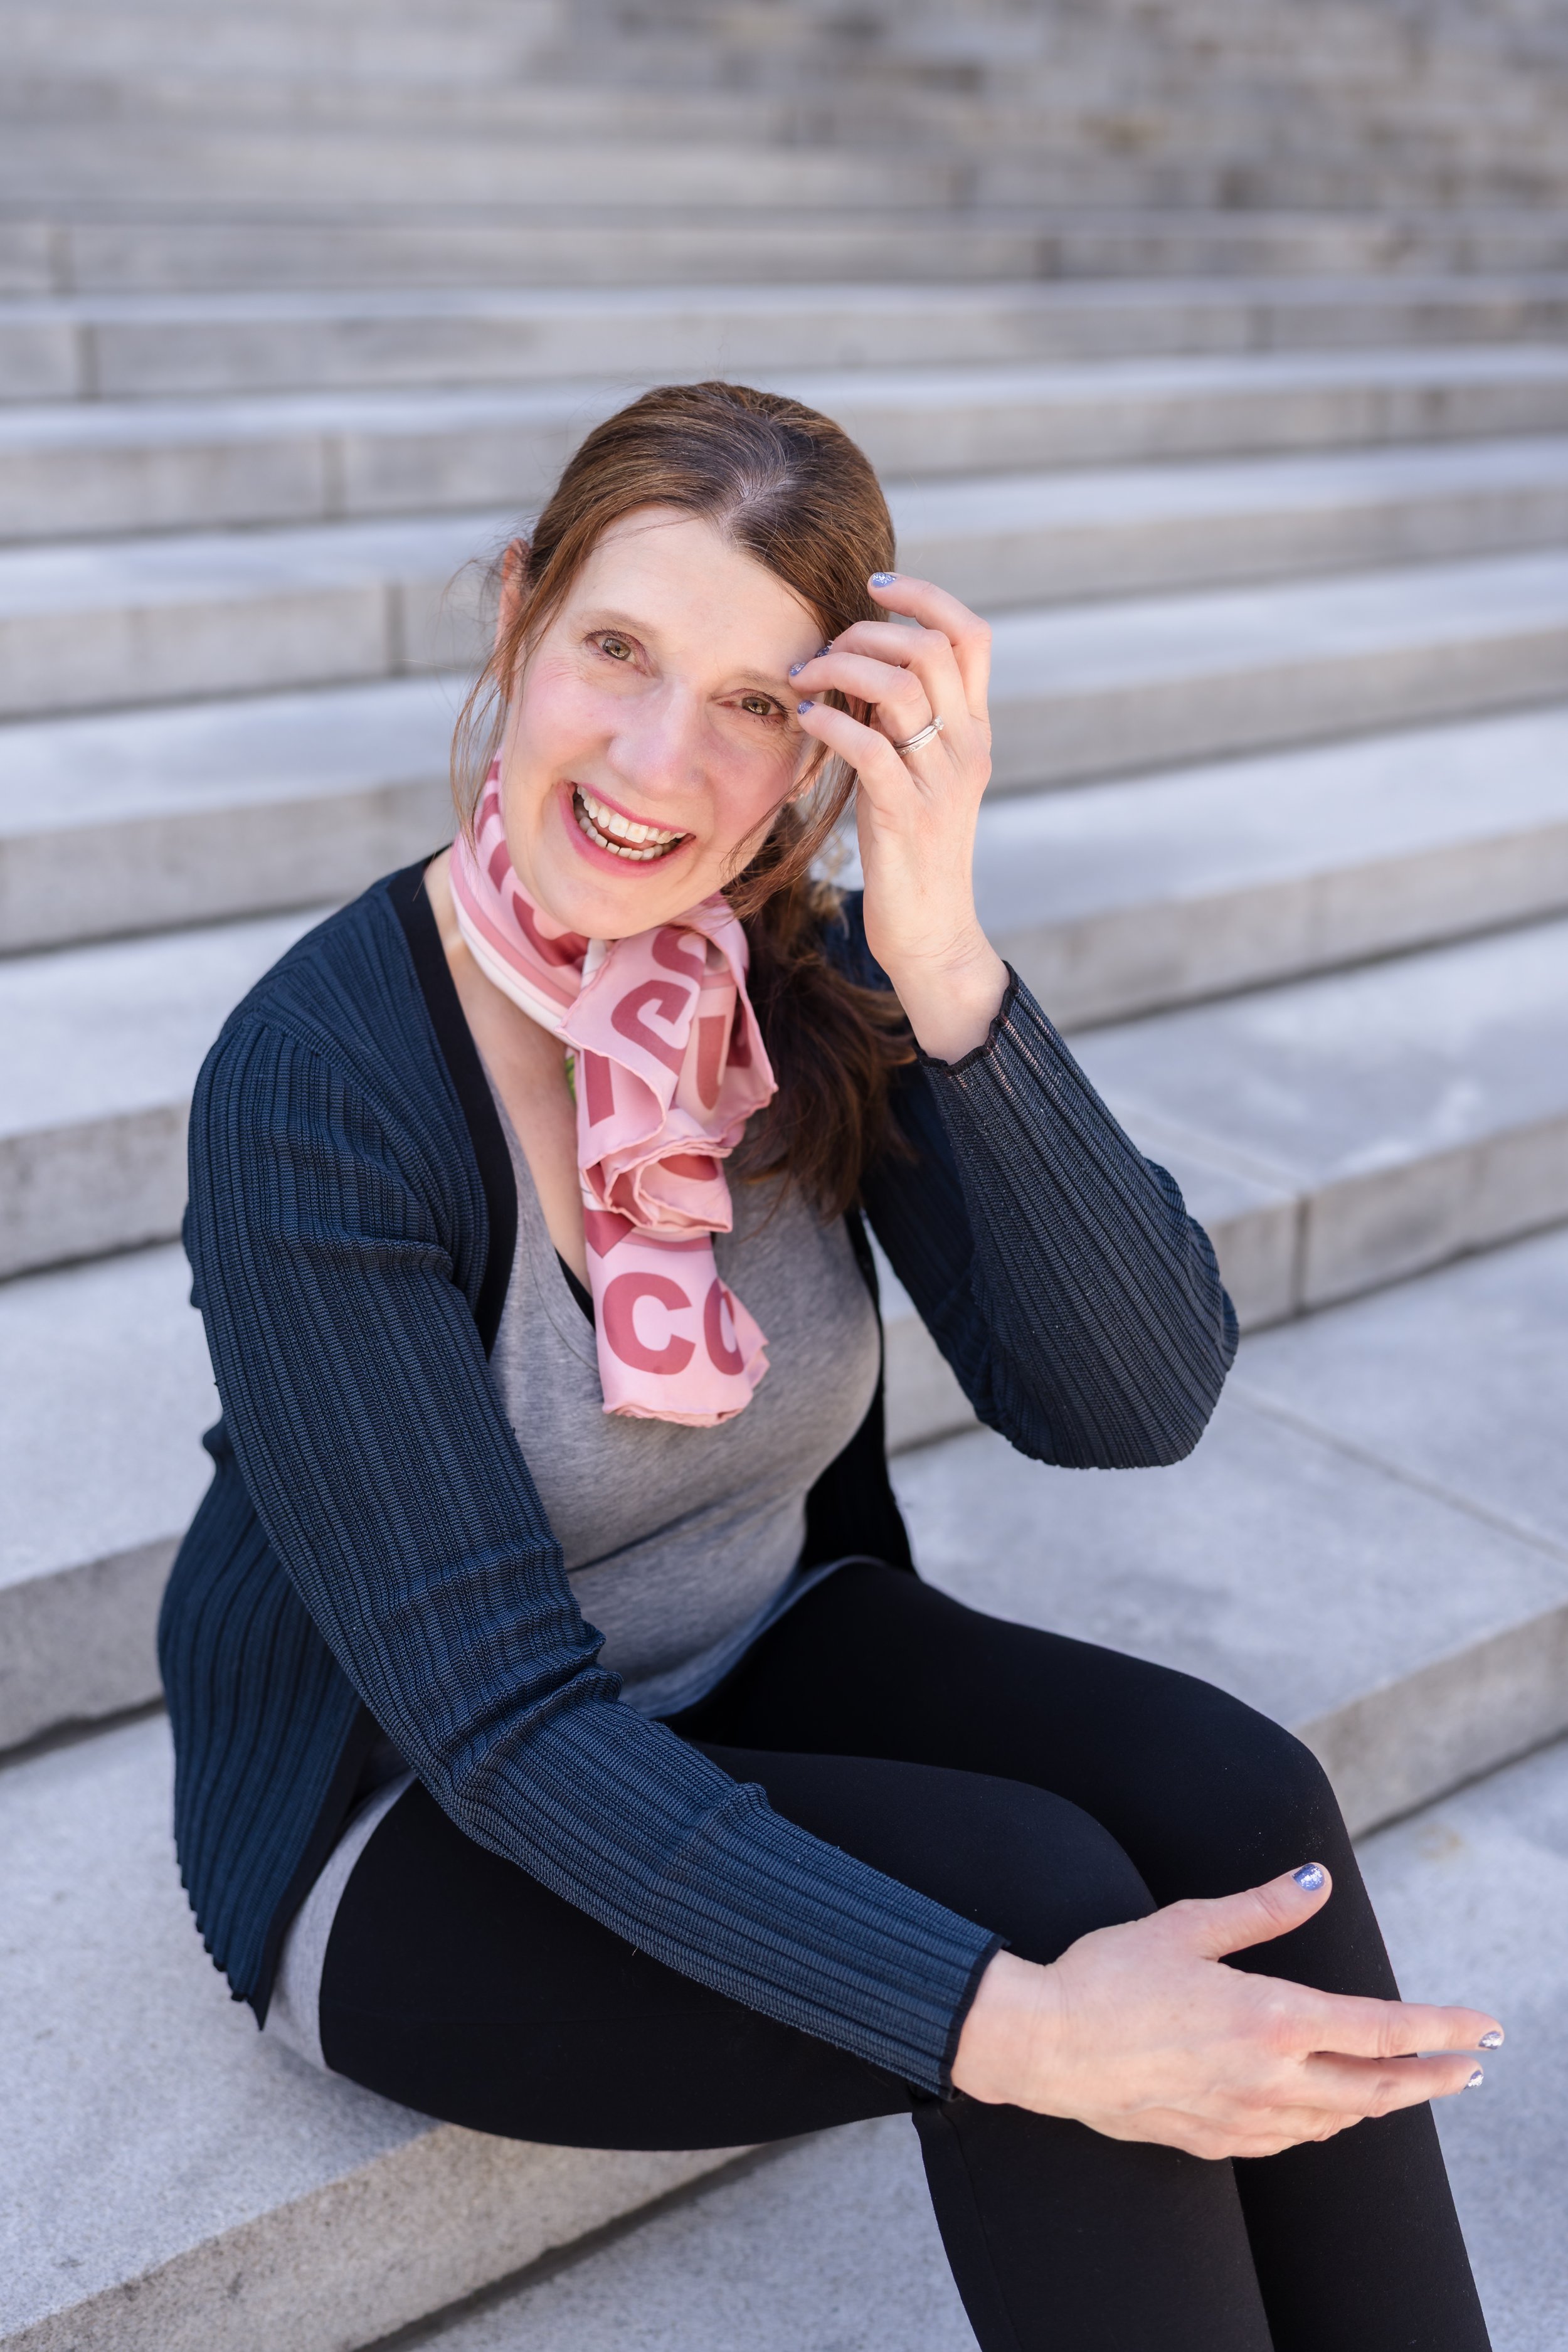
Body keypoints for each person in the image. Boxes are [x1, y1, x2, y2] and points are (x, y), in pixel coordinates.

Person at [161, 381, 1499, 2351]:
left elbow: (1127, 1404)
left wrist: (941, 946)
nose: (652, 759)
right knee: (1054, 1938)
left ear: (826, 744)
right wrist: (1014, 2027)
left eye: (752, 702)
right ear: (519, 616)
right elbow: (502, 1724)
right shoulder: (317, 1085)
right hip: (408, 1821)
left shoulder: (798, 980)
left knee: (1243, 1804)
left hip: (742, 1655)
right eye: (616, 649)